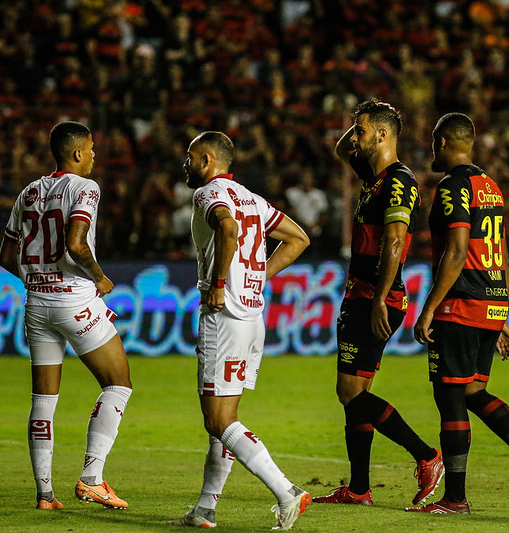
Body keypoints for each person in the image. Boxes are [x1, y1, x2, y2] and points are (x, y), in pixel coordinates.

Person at [407, 113, 509, 514]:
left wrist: (430, 308)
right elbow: (500, 252)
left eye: (433, 144)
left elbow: (457, 252)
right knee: (473, 391)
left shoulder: (452, 187)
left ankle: (455, 498)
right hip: (489, 299)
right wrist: (501, 312)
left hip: (460, 304)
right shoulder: (491, 186)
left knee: (450, 396)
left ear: (442, 142)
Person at [169, 131, 311, 530]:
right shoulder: (252, 198)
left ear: (209, 161)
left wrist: (217, 284)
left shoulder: (208, 193)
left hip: (224, 315)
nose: (186, 163)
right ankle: (205, 510)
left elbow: (228, 230)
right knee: (224, 419)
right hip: (251, 317)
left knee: (219, 422)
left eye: (191, 156)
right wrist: (256, 274)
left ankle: (287, 492)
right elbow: (299, 238)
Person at [312, 100, 444, 508]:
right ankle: (359, 489)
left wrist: (380, 298)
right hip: (364, 294)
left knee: (350, 392)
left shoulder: (399, 181)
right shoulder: (373, 177)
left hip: (375, 296)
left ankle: (426, 456)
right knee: (358, 394)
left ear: (384, 135)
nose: (356, 137)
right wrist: (355, 125)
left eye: (363, 131)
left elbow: (396, 240)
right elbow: (340, 151)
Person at [0, 121, 132, 511]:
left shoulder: (27, 192)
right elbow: (75, 242)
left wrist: (40, 280)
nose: (94, 156)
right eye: (91, 149)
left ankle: (44, 495)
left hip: (37, 304)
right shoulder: (85, 188)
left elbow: (6, 257)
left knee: (43, 399)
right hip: (75, 302)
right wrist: (100, 279)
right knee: (118, 383)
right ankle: (92, 478)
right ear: (76, 153)